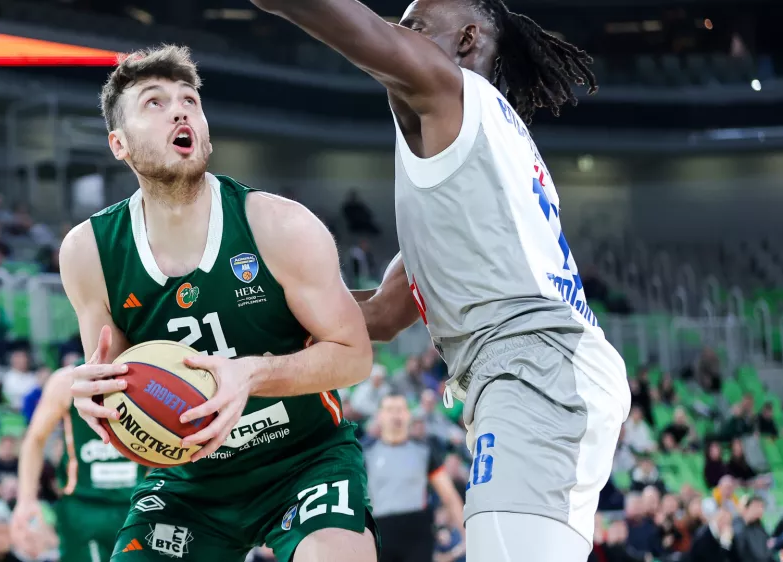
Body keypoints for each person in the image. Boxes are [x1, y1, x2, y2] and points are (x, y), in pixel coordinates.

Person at [247, 0, 632, 560]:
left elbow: (348, 24)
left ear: (467, 41)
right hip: (534, 372)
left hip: (535, 366)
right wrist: (254, 311)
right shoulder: (467, 170)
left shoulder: (454, 93)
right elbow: (379, 314)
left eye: (414, 28)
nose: (398, 39)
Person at [61, 46, 377, 562]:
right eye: (155, 103)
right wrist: (95, 398)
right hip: (190, 481)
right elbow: (115, 376)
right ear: (118, 144)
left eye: (190, 100)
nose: (181, 110)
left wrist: (249, 375)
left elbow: (354, 354)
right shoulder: (88, 252)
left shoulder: (279, 225)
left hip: (303, 459)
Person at [12, 366, 139, 561]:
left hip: (137, 507)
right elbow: (35, 438)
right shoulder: (66, 381)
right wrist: (26, 500)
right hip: (83, 508)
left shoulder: (151, 375)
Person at [366, 394, 465, 562]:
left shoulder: (424, 452)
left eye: (400, 410)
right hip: (381, 531)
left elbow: (449, 495)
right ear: (380, 416)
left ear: (408, 415)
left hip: (418, 531)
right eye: (390, 410)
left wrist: (466, 534)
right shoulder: (366, 454)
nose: (395, 415)